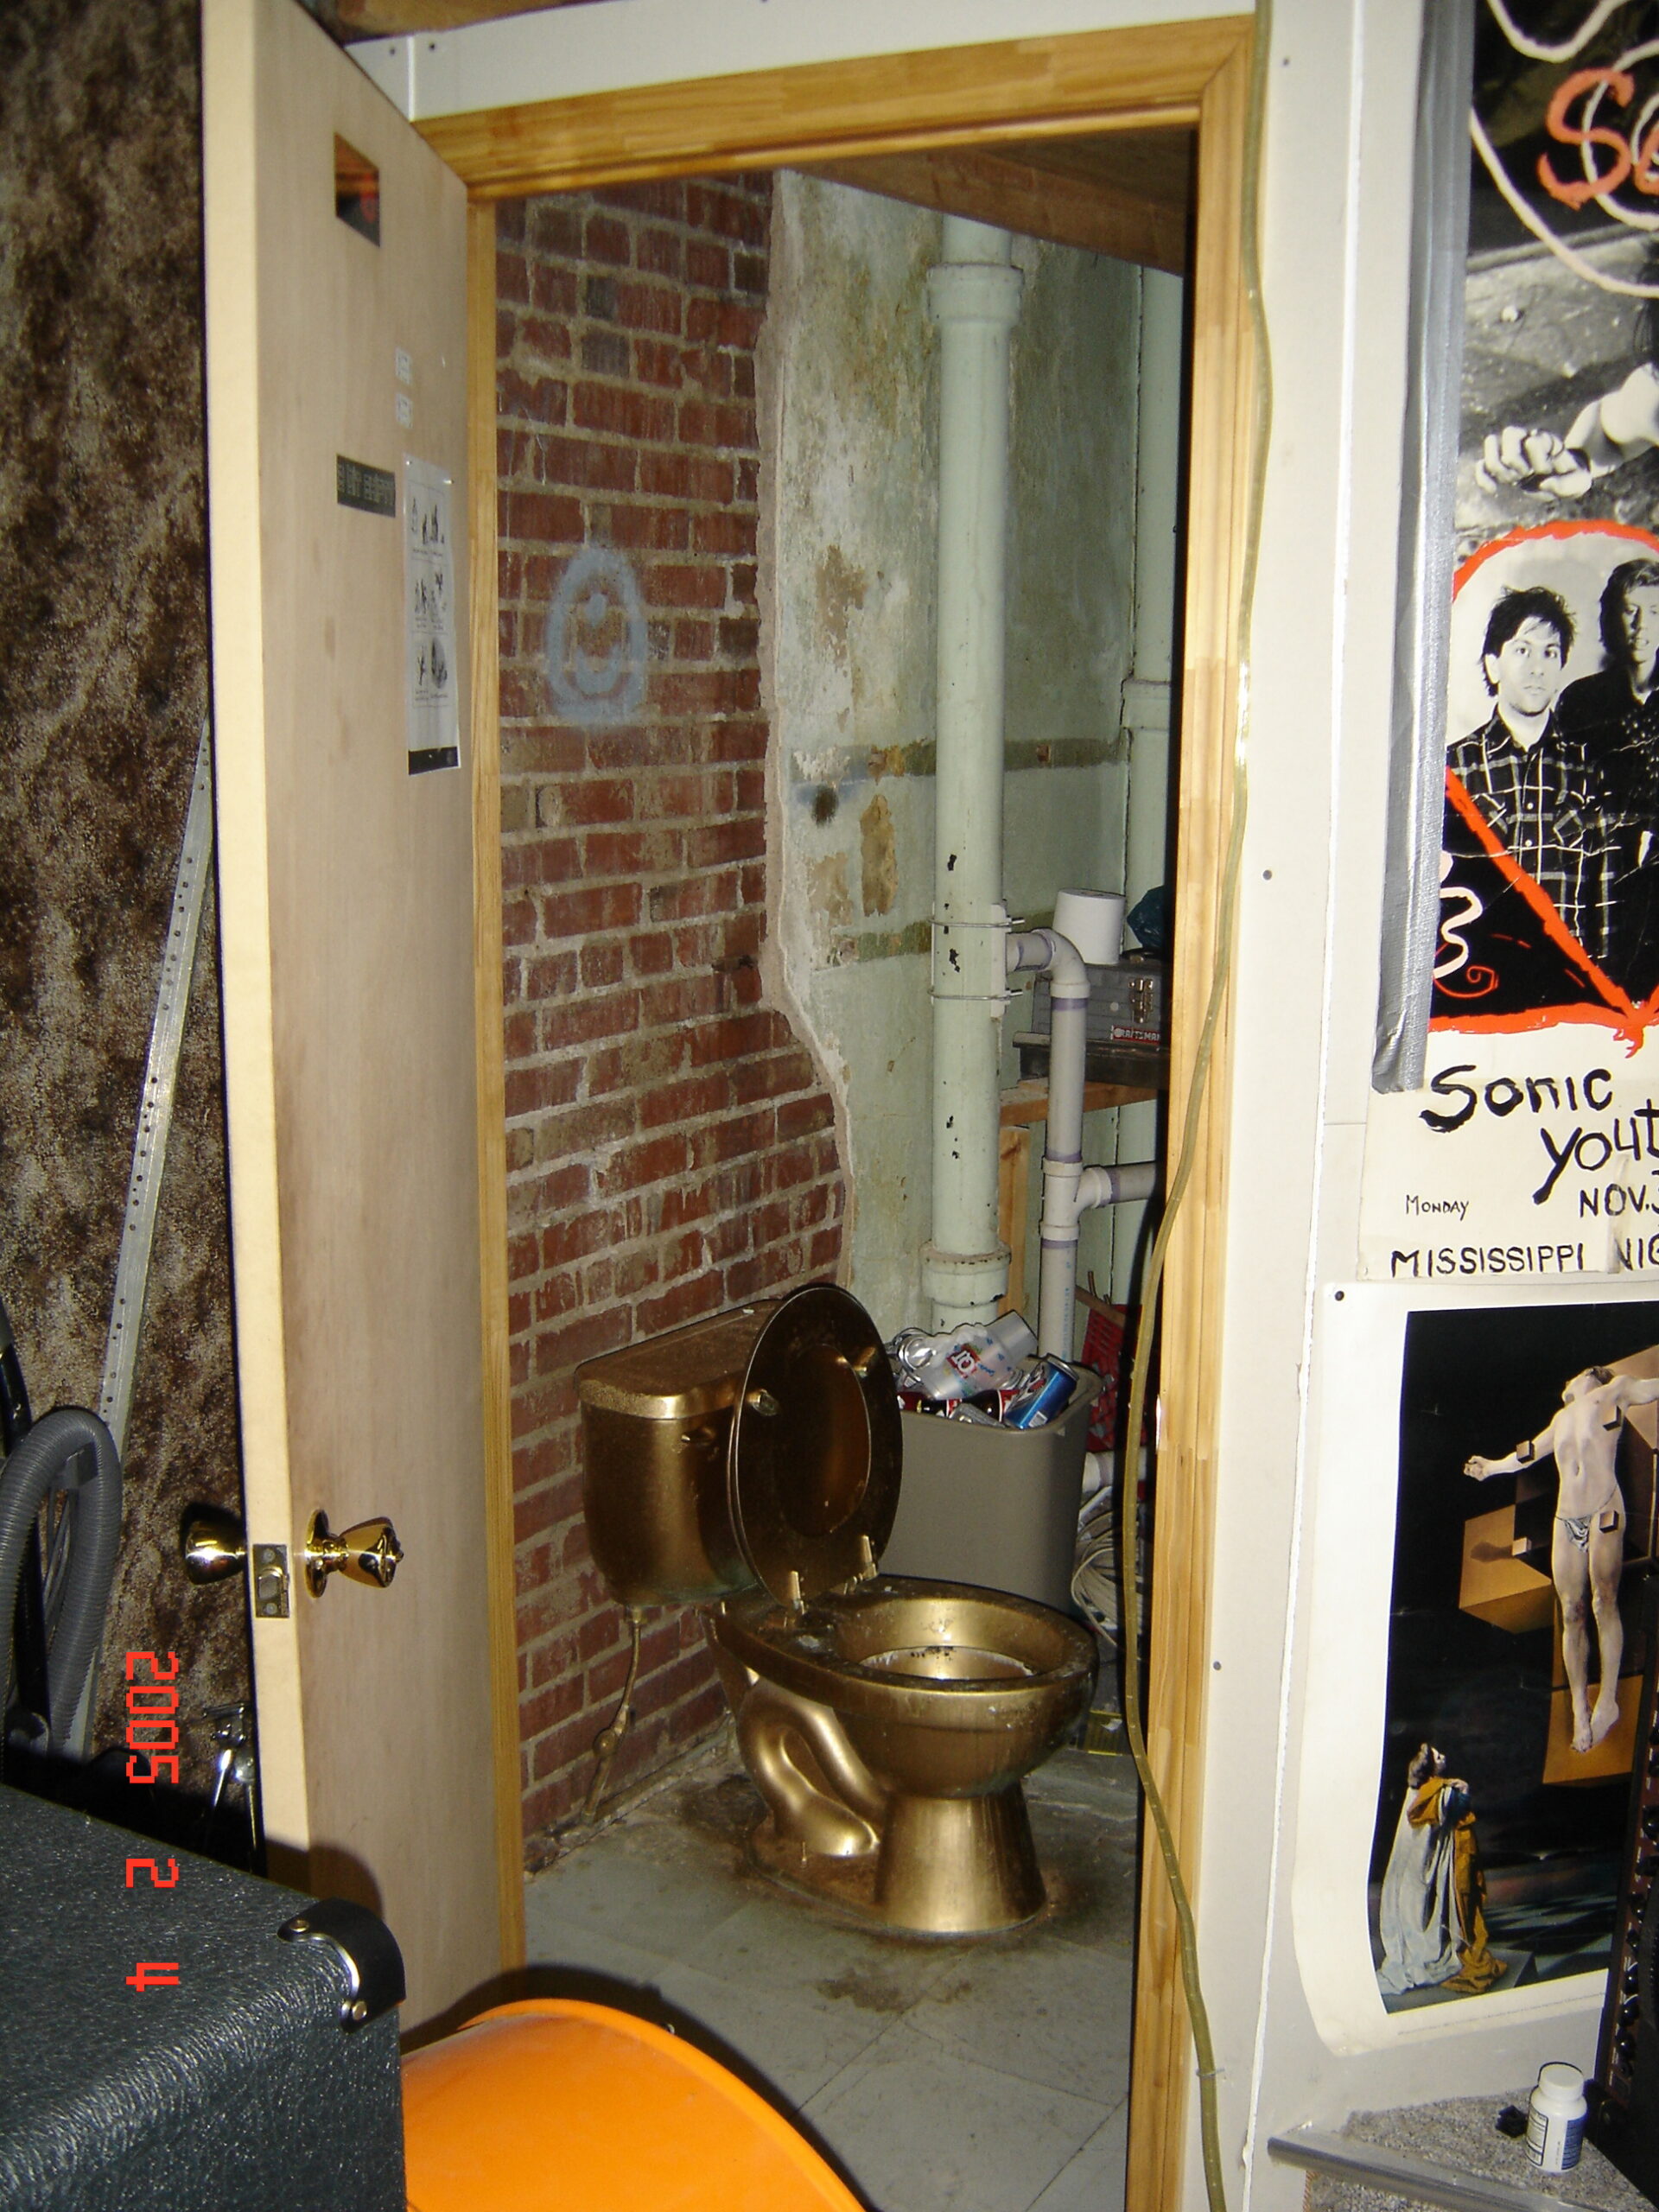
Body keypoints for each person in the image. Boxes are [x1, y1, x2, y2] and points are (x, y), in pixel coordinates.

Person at [1465, 1364, 1659, 1752]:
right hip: (1566, 1519)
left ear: (1590, 1375)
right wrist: (1492, 1468)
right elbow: (1528, 1453)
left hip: (1604, 1508)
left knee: (1604, 1601)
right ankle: (1578, 1708)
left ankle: (1608, 1700)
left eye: (1570, 1379)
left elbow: (1652, 1388)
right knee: (1571, 1611)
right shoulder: (1560, 1419)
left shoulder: (1614, 1390)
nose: (1564, 1385)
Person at [1445, 588, 1616, 967]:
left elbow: (1603, 904)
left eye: (1550, 653)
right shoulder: (1454, 769)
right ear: (1493, 665)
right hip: (1479, 978)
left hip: (1567, 983)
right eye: (1523, 650)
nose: (1537, 667)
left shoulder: (1590, 772)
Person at [1554, 563, 1659, 995]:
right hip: (1599, 880)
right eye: (1630, 610)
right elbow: (1560, 794)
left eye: (1654, 611)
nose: (1641, 625)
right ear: (1612, 617)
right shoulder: (1582, 700)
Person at [1376, 1744, 1503, 1999]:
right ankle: (1428, 1953)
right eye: (1438, 1756)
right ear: (1431, 1766)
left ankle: (1416, 1950)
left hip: (1414, 1862)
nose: (1443, 1756)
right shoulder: (1439, 1790)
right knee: (1428, 1909)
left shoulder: (1417, 1790)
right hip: (1427, 1862)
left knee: (1414, 1908)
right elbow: (1456, 1812)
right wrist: (1464, 1790)